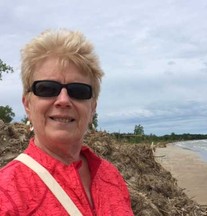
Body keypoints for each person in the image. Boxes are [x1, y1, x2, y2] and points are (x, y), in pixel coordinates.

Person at [0, 29, 134, 215]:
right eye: (47, 88)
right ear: (27, 104)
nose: (63, 100)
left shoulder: (111, 176)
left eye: (78, 91)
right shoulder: (6, 193)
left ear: (93, 107)